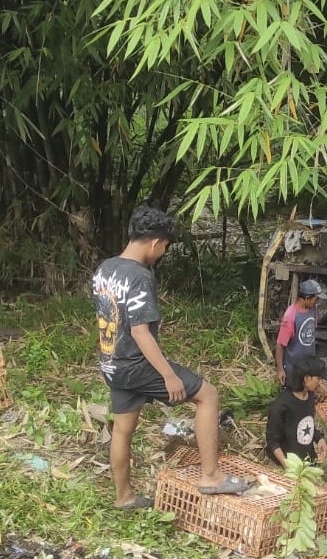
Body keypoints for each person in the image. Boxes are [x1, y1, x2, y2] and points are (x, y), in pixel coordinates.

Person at [93, 205, 250, 509]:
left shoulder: (105, 268)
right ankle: (211, 476)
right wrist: (168, 375)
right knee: (207, 396)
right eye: (164, 247)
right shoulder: (140, 276)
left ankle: (124, 497)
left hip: (112, 363)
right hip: (137, 364)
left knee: (123, 430)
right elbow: (140, 332)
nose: (162, 253)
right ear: (155, 242)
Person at [266, 355, 327, 465]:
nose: (320, 382)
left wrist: (319, 439)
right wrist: (286, 465)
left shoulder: (309, 396)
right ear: (306, 378)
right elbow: (272, 441)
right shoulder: (282, 405)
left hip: (306, 461)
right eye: (318, 378)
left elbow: (307, 422)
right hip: (287, 464)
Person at [274, 279, 327, 384]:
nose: (317, 302)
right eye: (316, 299)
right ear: (307, 298)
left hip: (309, 364)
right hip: (294, 367)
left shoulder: (313, 309)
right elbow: (280, 344)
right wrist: (280, 370)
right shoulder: (291, 316)